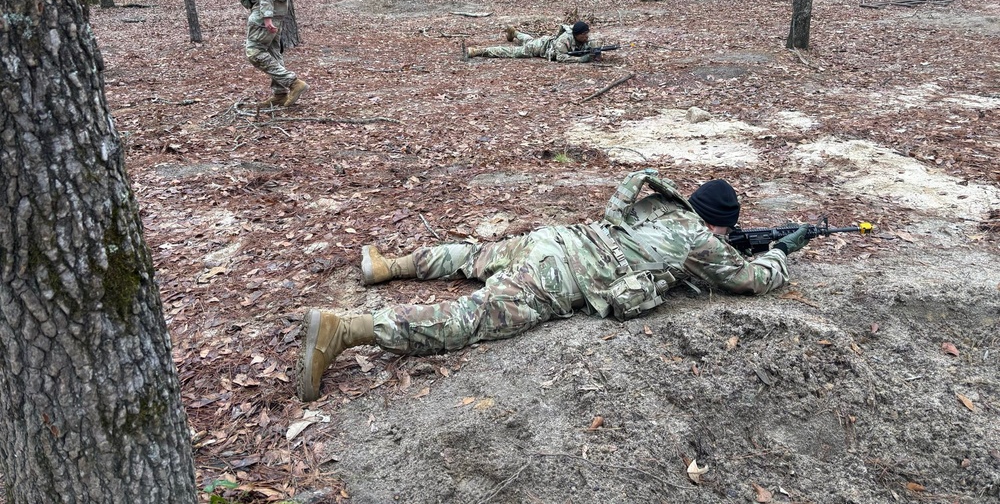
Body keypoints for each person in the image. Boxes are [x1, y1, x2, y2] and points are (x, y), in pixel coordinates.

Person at [296, 169, 810, 401]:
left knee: (474, 257)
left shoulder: (657, 201)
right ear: (719, 224)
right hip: (560, 277)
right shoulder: (701, 240)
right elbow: (750, 280)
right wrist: (782, 252)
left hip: (556, 240)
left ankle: (388, 266)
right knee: (467, 319)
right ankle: (345, 330)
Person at [463, 20, 598, 63]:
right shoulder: (564, 40)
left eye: (587, 34)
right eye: (584, 35)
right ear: (577, 35)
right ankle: (479, 50)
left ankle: (514, 33)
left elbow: (592, 46)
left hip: (544, 41)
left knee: (528, 39)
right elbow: (561, 57)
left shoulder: (584, 38)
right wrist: (581, 60)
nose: (587, 37)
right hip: (540, 48)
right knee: (513, 52)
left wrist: (596, 52)